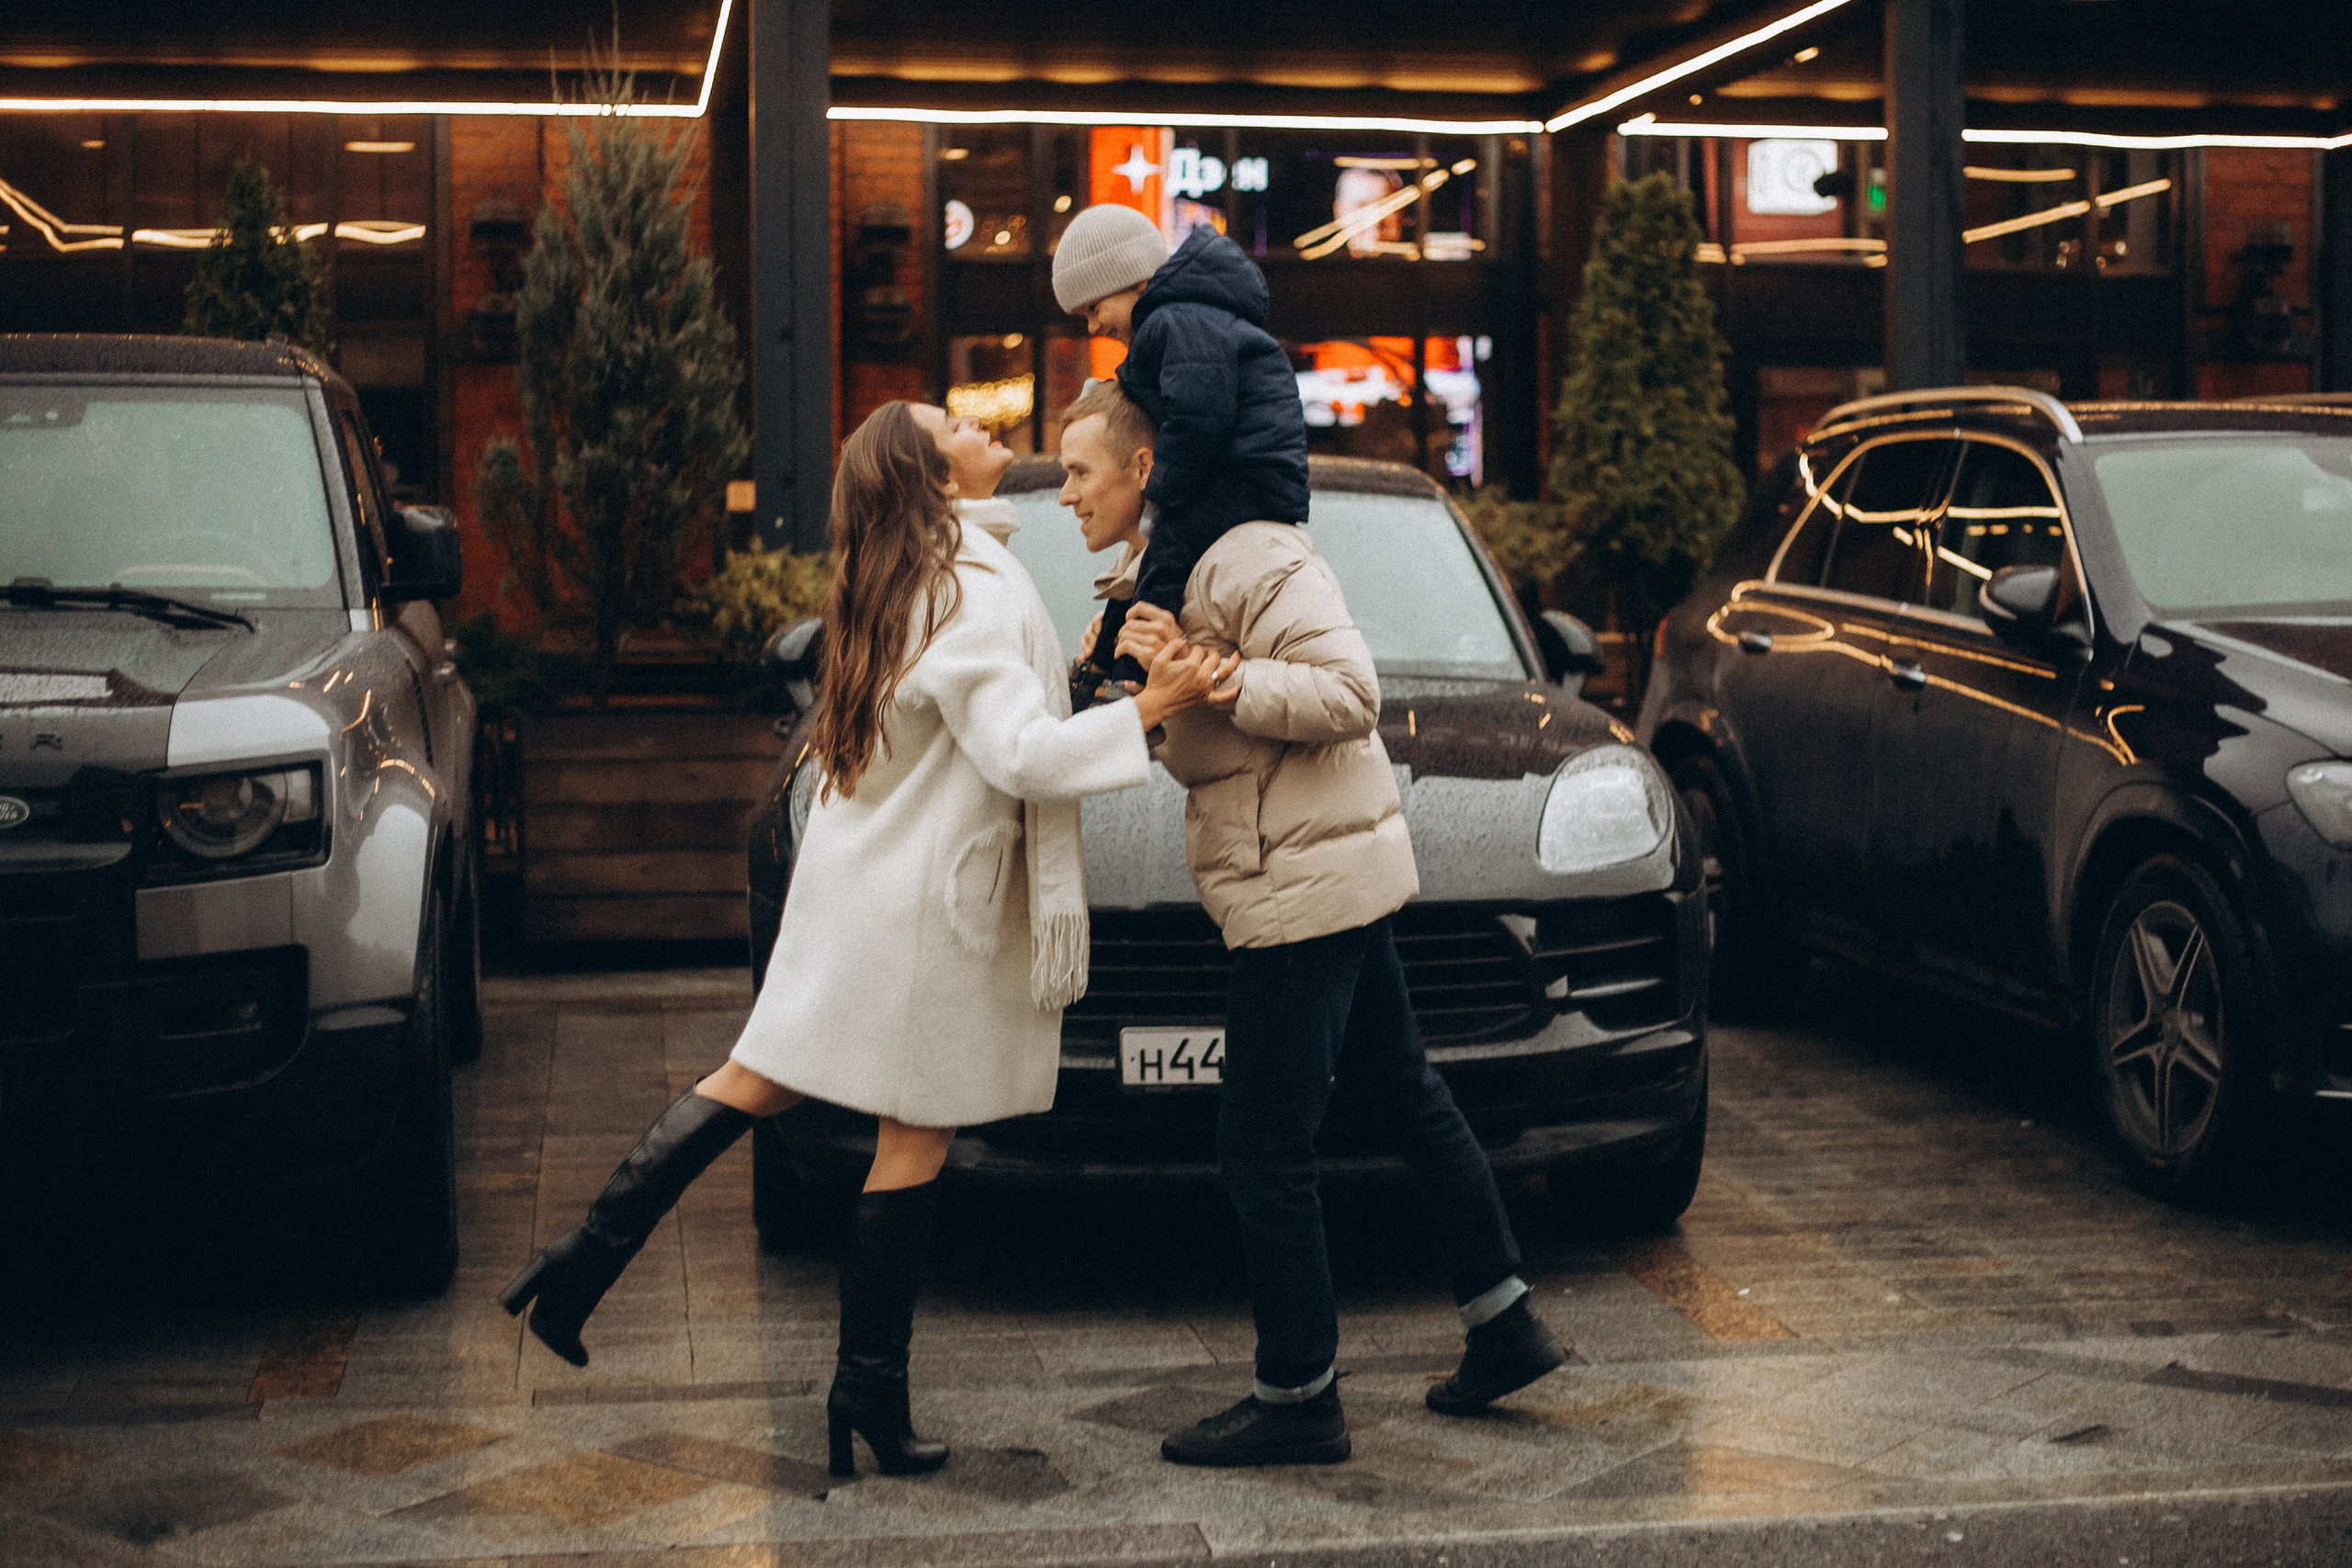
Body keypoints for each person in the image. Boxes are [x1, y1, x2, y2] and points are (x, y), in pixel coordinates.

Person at [499, 400, 1236, 1482]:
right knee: (895, 1128)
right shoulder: (970, 586)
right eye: (958, 426)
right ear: (938, 480)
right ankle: (859, 1390)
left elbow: (970, 726)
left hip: (869, 890)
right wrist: (1148, 705)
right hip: (920, 912)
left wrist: (1081, 687)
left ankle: (585, 1272)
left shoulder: (908, 578)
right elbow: (1020, 757)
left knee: (768, 1082)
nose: (985, 425)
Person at [1059, 382, 1568, 1469]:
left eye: (1078, 471)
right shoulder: (1151, 579)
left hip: (1300, 876)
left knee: (1260, 1145)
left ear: (1143, 470)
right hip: (1307, 862)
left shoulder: (1250, 555)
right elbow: (1165, 728)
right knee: (1402, 1088)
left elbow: (1349, 694)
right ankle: (1504, 1320)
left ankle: (1299, 1393)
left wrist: (1222, 677)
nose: (1066, 493)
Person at [1051, 204, 1309, 691]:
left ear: (1130, 281)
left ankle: (1131, 680)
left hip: (1248, 477)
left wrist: (1161, 492)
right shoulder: (1180, 323)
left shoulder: (1180, 322)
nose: (1092, 327)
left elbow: (1198, 421)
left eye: (1092, 309)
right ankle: (1104, 662)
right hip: (1241, 471)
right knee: (1152, 558)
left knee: (1164, 555)